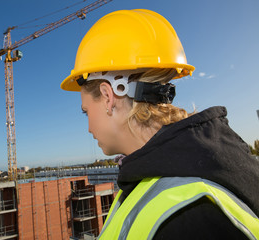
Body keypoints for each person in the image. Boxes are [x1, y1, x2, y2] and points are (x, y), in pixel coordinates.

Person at [60, 9, 259, 239]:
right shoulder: (166, 174)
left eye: (85, 112)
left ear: (107, 96)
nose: (88, 127)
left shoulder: (191, 217)